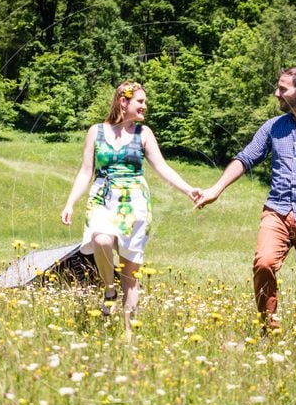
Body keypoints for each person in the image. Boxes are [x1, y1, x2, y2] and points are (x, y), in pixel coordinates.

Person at [194, 67, 296, 335]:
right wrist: (216, 189)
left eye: (282, 89)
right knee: (263, 263)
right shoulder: (273, 126)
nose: (276, 93)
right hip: (277, 210)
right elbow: (246, 157)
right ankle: (268, 329)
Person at [62, 81, 200, 331]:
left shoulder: (143, 133)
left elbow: (162, 167)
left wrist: (188, 189)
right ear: (123, 102)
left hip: (134, 202)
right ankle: (108, 288)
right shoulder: (96, 131)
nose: (145, 106)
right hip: (102, 197)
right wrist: (70, 202)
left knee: (130, 275)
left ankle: (128, 336)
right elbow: (85, 171)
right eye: (140, 101)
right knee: (100, 240)